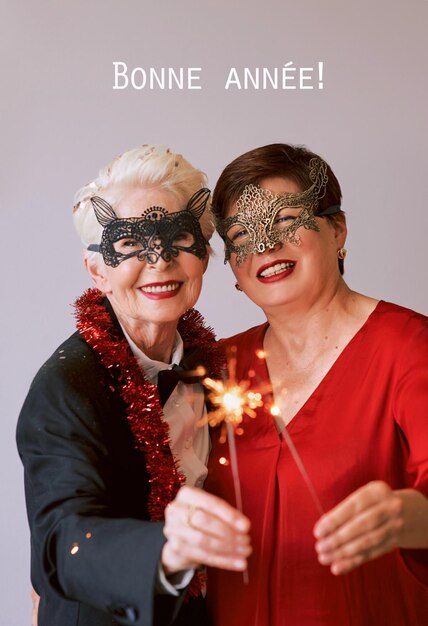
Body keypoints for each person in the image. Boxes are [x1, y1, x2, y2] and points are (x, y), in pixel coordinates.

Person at [17, 145, 251, 626]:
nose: (160, 261)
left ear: (204, 255)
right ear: (96, 270)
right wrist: (167, 550)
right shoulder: (66, 386)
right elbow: (63, 538)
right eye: (128, 245)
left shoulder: (218, 371)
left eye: (179, 237)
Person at [201, 143, 428, 625]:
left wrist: (411, 516)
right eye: (241, 234)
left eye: (284, 220)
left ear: (338, 229)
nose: (265, 246)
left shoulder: (409, 347)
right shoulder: (213, 368)